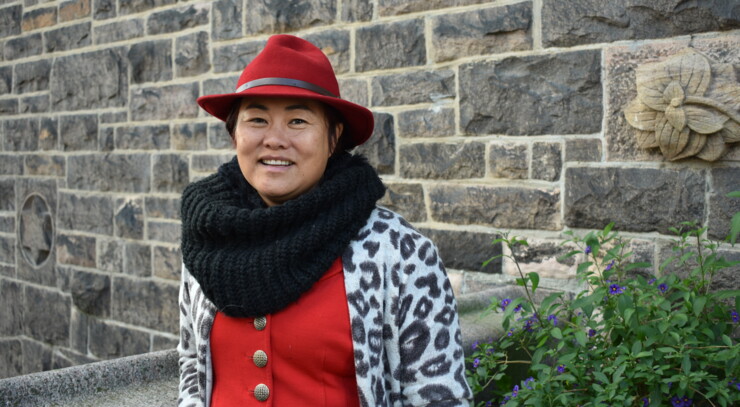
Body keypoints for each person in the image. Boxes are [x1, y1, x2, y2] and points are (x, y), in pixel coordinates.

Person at [177, 34, 472, 407]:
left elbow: (438, 396)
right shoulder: (209, 237)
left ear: (333, 139)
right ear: (234, 134)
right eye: (257, 119)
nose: (274, 139)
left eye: (298, 120)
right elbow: (192, 363)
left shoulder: (399, 252)